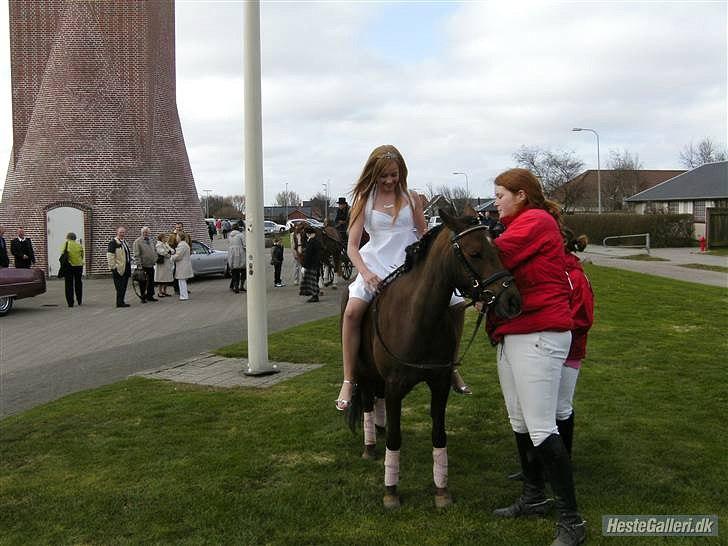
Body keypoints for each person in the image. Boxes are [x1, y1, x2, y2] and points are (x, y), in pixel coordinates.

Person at [487, 168, 585, 546]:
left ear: (522, 195)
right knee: (520, 421)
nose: (495, 203)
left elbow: (493, 256)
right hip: (515, 333)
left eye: (500, 196)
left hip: (540, 332)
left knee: (543, 427)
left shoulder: (536, 221)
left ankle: (572, 521)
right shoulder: (521, 224)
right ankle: (533, 497)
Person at [337, 145, 427, 410]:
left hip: (408, 262)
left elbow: (423, 233)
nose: (389, 180)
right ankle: (349, 378)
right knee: (352, 312)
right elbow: (352, 247)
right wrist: (366, 274)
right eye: (384, 175)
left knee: (453, 303)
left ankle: (451, 367)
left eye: (394, 175)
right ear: (373, 174)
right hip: (375, 264)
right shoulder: (363, 200)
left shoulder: (412, 197)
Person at [558, 230, 594, 459]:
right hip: (549, 349)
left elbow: (582, 319)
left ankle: (563, 459)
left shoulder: (575, 277)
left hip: (568, 351)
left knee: (560, 408)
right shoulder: (556, 272)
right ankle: (538, 465)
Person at [132, 226, 158, 303]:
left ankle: (150, 296)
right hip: (143, 265)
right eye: (144, 232)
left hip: (151, 264)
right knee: (142, 282)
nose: (146, 233)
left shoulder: (151, 240)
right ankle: (143, 297)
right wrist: (139, 265)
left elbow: (154, 251)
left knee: (151, 281)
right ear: (142, 233)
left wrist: (155, 258)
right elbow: (136, 254)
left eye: (147, 232)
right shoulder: (137, 242)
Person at [107, 226, 132, 308]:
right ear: (117, 232)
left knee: (124, 286)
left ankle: (121, 301)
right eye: (120, 232)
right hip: (119, 268)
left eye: (123, 232)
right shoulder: (113, 243)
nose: (122, 234)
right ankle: (119, 303)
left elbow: (126, 254)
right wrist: (113, 268)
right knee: (119, 287)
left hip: (126, 267)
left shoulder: (124, 242)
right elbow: (110, 256)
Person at [61, 232, 84, 307]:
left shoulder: (66, 244)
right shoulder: (79, 245)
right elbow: (82, 255)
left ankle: (70, 303)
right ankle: (79, 300)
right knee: (78, 283)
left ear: (68, 237)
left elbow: (62, 254)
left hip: (69, 266)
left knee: (69, 284)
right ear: (75, 238)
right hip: (79, 266)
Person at [300, 226, 322, 302]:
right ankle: (316, 293)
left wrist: (304, 266)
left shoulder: (311, 242)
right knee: (315, 279)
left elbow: (308, 255)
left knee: (312, 281)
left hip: (311, 265)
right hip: (317, 264)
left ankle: (315, 296)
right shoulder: (317, 241)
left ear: (308, 234)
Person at [171, 233, 193, 300]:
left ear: (180, 237)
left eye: (177, 237)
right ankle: (183, 295)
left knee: (182, 281)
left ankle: (184, 296)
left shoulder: (182, 245)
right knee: (182, 281)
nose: (176, 238)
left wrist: (171, 257)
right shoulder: (184, 244)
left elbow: (178, 256)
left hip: (182, 266)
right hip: (183, 265)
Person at [154, 233, 174, 297]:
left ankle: (165, 291)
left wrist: (169, 252)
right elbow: (162, 252)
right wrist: (169, 253)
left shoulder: (166, 244)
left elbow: (172, 250)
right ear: (161, 238)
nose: (165, 238)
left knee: (167, 279)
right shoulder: (158, 244)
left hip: (167, 264)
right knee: (161, 279)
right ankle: (160, 292)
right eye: (164, 237)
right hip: (161, 264)